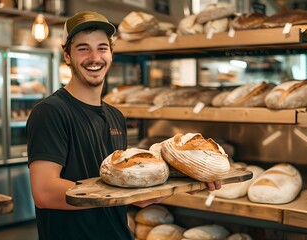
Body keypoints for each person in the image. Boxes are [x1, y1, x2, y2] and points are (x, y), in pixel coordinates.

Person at [26, 11, 222, 240]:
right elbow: (45, 192)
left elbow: (126, 188)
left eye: (102, 48)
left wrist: (191, 177)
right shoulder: (50, 112)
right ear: (67, 55)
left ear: (110, 54)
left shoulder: (115, 116)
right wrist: (120, 193)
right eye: (83, 48)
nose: (94, 57)